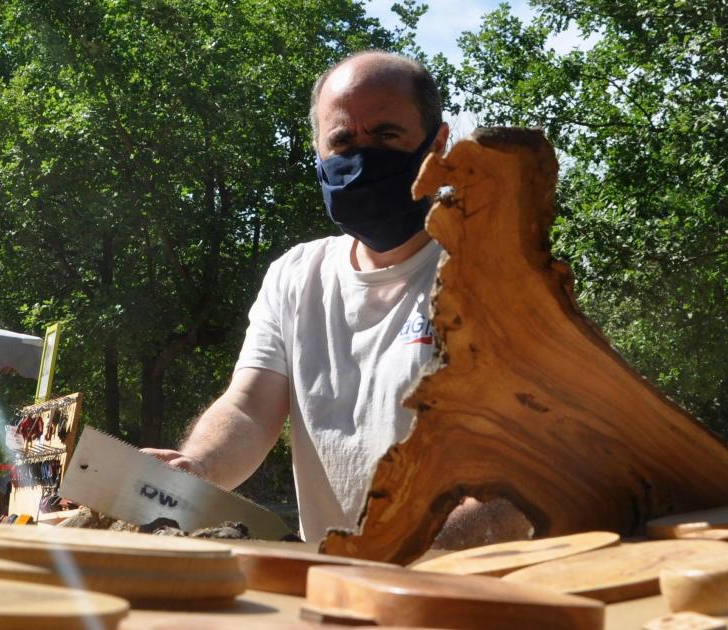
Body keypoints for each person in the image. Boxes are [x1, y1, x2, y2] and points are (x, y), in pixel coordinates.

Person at [144, 51, 528, 545]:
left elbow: (524, 479)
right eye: (342, 140)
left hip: (467, 599)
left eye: (387, 135)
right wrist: (194, 468)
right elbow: (249, 410)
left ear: (438, 144)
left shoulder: (504, 275)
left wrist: (391, 555)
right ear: (318, 151)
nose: (363, 156)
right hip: (333, 596)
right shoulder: (296, 276)